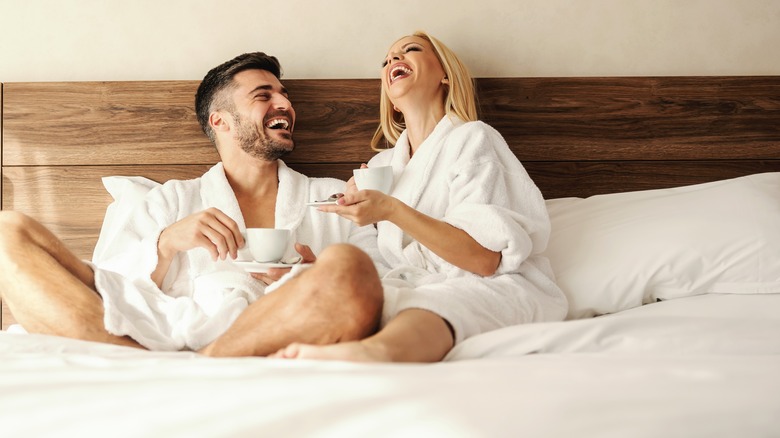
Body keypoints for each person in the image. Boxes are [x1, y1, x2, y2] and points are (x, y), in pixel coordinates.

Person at [0, 52, 383, 357]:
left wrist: (308, 276)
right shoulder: (173, 200)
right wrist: (164, 245)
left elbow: (383, 279)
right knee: (7, 232)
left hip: (279, 328)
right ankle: (137, 356)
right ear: (221, 121)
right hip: (165, 328)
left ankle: (199, 359)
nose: (284, 103)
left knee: (348, 267)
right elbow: (108, 284)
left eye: (284, 95)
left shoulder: (334, 197)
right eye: (264, 95)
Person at [271, 31, 568, 362]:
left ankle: (373, 354)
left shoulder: (473, 139)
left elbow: (485, 260)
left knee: (433, 305)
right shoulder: (383, 167)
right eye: (387, 60)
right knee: (344, 295)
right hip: (416, 286)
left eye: (409, 50)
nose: (394, 60)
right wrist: (320, 270)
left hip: (495, 285)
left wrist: (391, 210)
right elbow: (381, 261)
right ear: (392, 101)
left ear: (444, 75)